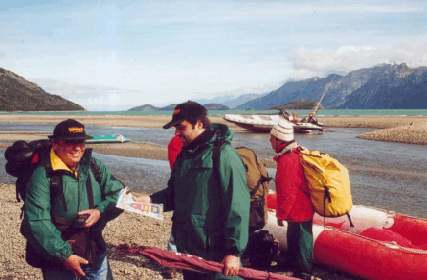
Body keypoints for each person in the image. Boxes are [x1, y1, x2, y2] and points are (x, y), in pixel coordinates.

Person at [150, 101, 250, 280]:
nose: (177, 133)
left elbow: (237, 206)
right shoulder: (185, 156)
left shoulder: (224, 155)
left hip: (216, 252)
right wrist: (149, 201)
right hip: (188, 249)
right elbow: (173, 194)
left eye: (181, 127)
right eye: (175, 127)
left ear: (200, 124)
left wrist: (233, 252)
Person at [21, 119, 124, 280]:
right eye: (70, 142)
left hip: (93, 247)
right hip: (58, 256)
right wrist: (65, 256)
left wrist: (99, 211)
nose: (77, 148)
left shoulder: (93, 165)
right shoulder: (42, 175)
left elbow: (119, 193)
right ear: (55, 145)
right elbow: (37, 221)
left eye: (81, 142)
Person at [269, 119, 314, 277]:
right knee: (296, 237)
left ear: (279, 139)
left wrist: (281, 214)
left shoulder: (288, 160)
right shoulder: (296, 153)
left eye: (271, 138)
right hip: (303, 206)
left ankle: (304, 272)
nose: (270, 141)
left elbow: (288, 192)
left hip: (298, 208)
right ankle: (295, 266)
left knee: (302, 240)